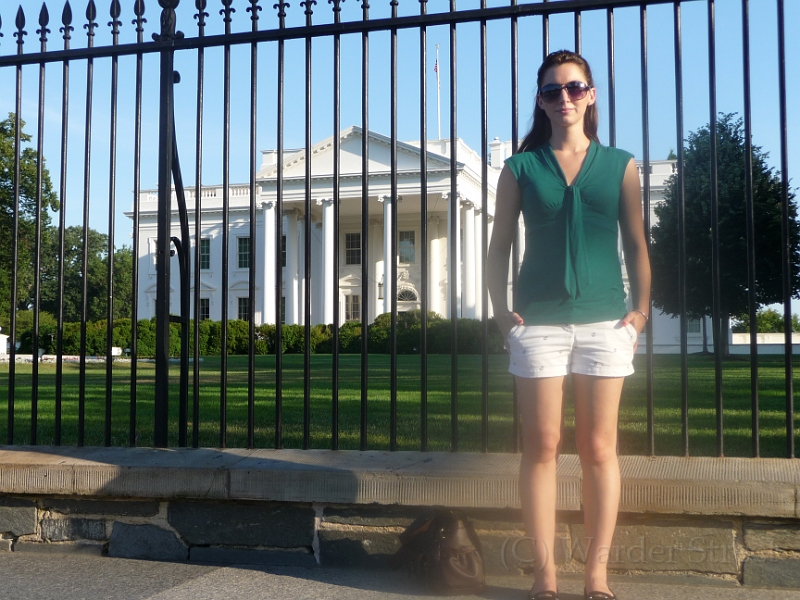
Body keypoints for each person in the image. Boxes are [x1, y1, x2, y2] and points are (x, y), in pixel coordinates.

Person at [487, 50, 651, 600]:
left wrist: (641, 312)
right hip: (538, 324)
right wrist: (497, 310)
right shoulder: (520, 168)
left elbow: (636, 242)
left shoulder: (621, 164)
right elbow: (499, 246)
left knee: (599, 449)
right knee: (541, 446)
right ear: (541, 100)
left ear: (592, 94)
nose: (565, 98)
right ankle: (544, 576)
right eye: (554, 91)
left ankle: (596, 577)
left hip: (607, 323)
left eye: (575, 88)